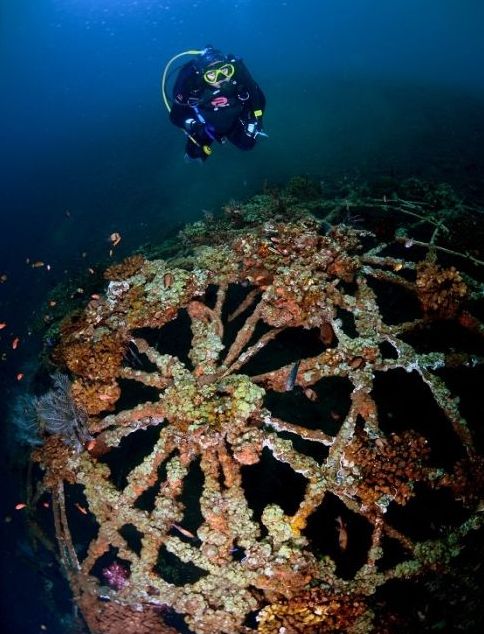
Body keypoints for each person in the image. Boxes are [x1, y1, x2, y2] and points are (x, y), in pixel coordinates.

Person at [167, 46, 267, 161]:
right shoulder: (194, 89)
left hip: (235, 121)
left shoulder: (239, 80)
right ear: (203, 76)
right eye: (212, 75)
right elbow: (175, 116)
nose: (221, 78)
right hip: (205, 127)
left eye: (225, 70)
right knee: (194, 154)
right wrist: (194, 125)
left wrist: (254, 119)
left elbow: (259, 99)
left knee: (247, 144)